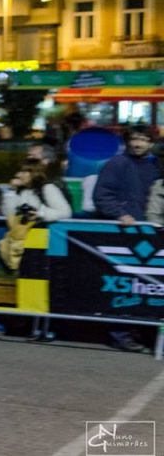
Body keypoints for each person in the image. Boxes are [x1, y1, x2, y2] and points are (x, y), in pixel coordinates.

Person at [93, 125, 160, 352]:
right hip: (125, 234)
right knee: (123, 287)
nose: (137, 143)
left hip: (151, 233)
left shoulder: (155, 165)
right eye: (134, 139)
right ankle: (121, 333)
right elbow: (101, 196)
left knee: (147, 287)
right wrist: (120, 213)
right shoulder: (117, 163)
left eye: (143, 139)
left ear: (151, 142)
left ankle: (145, 333)